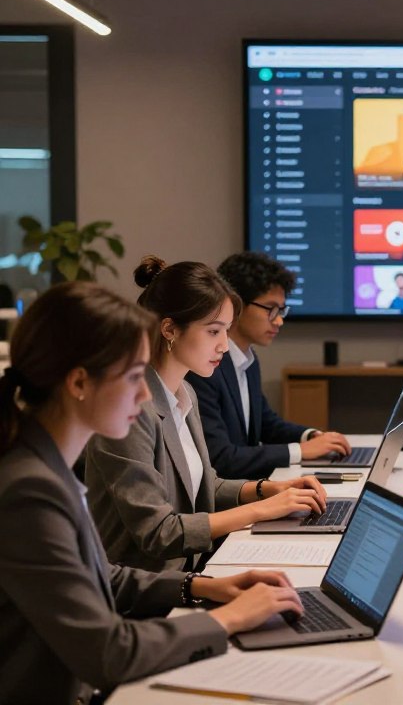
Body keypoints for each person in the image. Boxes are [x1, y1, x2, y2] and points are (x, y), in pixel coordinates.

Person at [0, 282, 305, 704]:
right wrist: (228, 620)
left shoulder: (46, 467)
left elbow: (105, 576)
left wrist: (203, 588)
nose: (145, 394)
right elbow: (107, 652)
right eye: (132, 377)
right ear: (78, 383)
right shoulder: (28, 490)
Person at [85, 257, 328, 572]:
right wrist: (262, 509)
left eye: (226, 331)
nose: (225, 346)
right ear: (170, 329)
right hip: (147, 592)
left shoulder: (185, 393)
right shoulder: (128, 410)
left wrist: (267, 489)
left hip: (192, 571)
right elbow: (159, 533)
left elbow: (202, 485)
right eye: (214, 331)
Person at [186, 252, 351, 480]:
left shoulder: (248, 359)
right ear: (235, 304)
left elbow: (266, 424)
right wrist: (300, 451)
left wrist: (310, 436)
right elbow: (221, 459)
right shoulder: (205, 367)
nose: (279, 320)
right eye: (270, 309)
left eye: (282, 310)